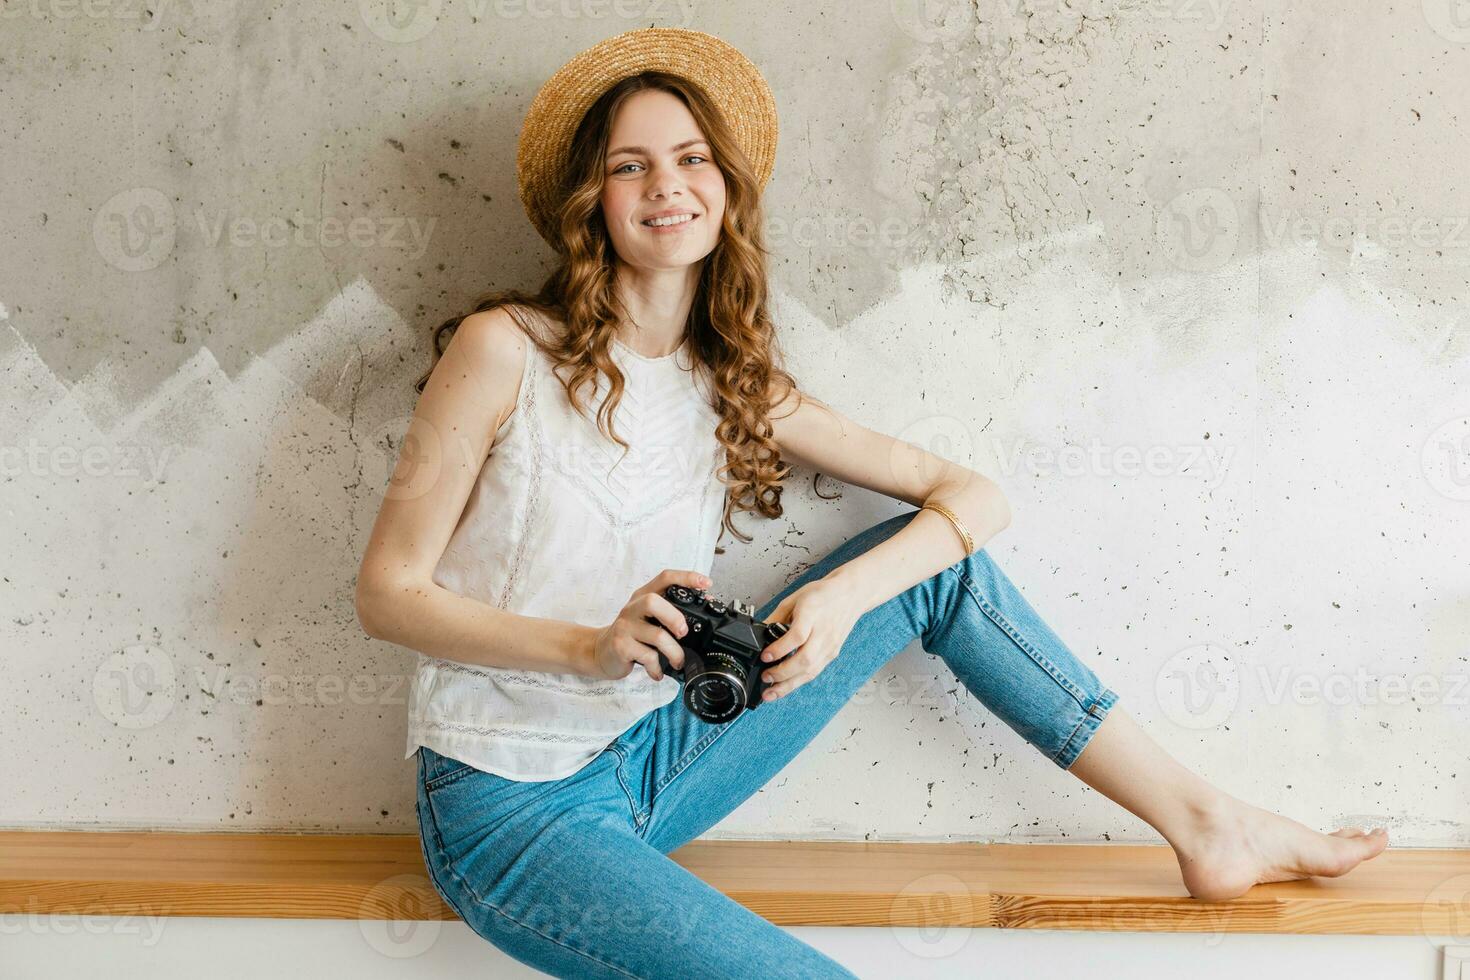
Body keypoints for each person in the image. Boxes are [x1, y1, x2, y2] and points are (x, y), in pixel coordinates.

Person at [354, 27, 1388, 979]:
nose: (665, 185)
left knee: (935, 560)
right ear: (593, 198)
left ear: (724, 187)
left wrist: (846, 598)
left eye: (690, 159)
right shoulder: (505, 350)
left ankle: (1207, 820)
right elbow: (388, 594)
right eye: (631, 165)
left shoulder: (732, 383)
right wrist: (589, 646)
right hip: (509, 808)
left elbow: (972, 498)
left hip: (656, 751)